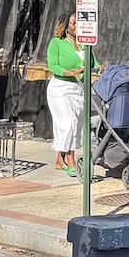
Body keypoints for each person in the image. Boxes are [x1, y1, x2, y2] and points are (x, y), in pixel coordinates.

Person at [45, 14, 85, 178]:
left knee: (74, 124)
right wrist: (71, 73)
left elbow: (93, 62)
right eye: (74, 23)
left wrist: (101, 68)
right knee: (69, 122)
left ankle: (59, 160)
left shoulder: (83, 44)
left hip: (78, 88)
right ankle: (71, 161)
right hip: (60, 88)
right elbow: (53, 65)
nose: (77, 26)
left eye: (79, 23)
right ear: (65, 26)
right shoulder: (56, 43)